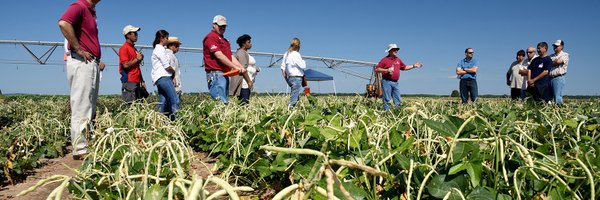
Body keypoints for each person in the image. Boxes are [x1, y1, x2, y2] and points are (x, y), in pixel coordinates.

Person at [59, 0, 106, 160]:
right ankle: (80, 148)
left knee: (88, 106)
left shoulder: (91, 11)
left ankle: (84, 145)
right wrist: (78, 48)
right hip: (81, 61)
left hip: (90, 62)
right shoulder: (79, 6)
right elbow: (64, 23)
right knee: (81, 105)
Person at [203, 15, 252, 104]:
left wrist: (241, 68)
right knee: (220, 104)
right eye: (220, 25)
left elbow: (230, 57)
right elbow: (219, 55)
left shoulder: (225, 41)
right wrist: (235, 67)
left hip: (224, 74)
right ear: (214, 24)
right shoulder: (211, 37)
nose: (222, 28)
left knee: (224, 102)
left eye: (224, 26)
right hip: (216, 74)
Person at [374, 44, 423, 111]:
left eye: (396, 49)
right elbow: (377, 69)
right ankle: (387, 112)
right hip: (386, 82)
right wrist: (387, 70)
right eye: (394, 49)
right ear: (390, 51)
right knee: (387, 99)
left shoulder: (398, 60)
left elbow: (404, 67)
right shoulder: (384, 60)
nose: (396, 51)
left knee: (397, 99)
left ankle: (398, 112)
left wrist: (414, 66)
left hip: (395, 82)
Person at [151, 30, 179, 120]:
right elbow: (166, 66)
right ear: (162, 38)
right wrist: (173, 71)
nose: (167, 40)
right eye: (167, 38)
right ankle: (177, 121)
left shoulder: (157, 49)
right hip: (164, 77)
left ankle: (159, 122)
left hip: (159, 79)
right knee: (175, 100)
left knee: (163, 101)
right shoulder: (160, 49)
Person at [118, 25, 147, 103]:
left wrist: (142, 81)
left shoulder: (133, 49)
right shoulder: (124, 48)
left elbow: (137, 67)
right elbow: (125, 65)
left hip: (136, 81)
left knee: (137, 106)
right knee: (130, 106)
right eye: (134, 33)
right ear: (127, 35)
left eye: (136, 33)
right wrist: (137, 59)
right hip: (129, 81)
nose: (137, 35)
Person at [281, 38, 306, 108]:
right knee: (294, 99)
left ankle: (295, 111)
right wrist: (303, 60)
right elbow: (303, 66)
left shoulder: (286, 54)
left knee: (295, 97)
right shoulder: (296, 54)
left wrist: (286, 79)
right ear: (299, 45)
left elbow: (282, 68)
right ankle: (289, 111)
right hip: (297, 78)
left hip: (290, 78)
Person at [233, 34, 258, 104]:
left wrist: (255, 69)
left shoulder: (245, 53)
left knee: (245, 103)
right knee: (244, 104)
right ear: (243, 44)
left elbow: (247, 66)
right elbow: (243, 69)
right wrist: (249, 81)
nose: (250, 44)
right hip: (244, 83)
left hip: (247, 82)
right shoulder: (241, 53)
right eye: (249, 42)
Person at [549, 40, 569, 105]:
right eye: (554, 46)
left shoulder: (565, 54)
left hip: (558, 78)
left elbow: (558, 62)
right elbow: (547, 64)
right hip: (550, 78)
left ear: (562, 46)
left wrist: (553, 62)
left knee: (557, 97)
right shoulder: (551, 55)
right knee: (549, 98)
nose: (555, 47)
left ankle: (559, 112)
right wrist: (554, 61)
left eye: (557, 46)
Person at [166, 36, 182, 101]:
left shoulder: (171, 55)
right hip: (174, 85)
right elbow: (170, 69)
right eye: (177, 45)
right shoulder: (169, 55)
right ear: (171, 45)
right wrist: (173, 78)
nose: (178, 47)